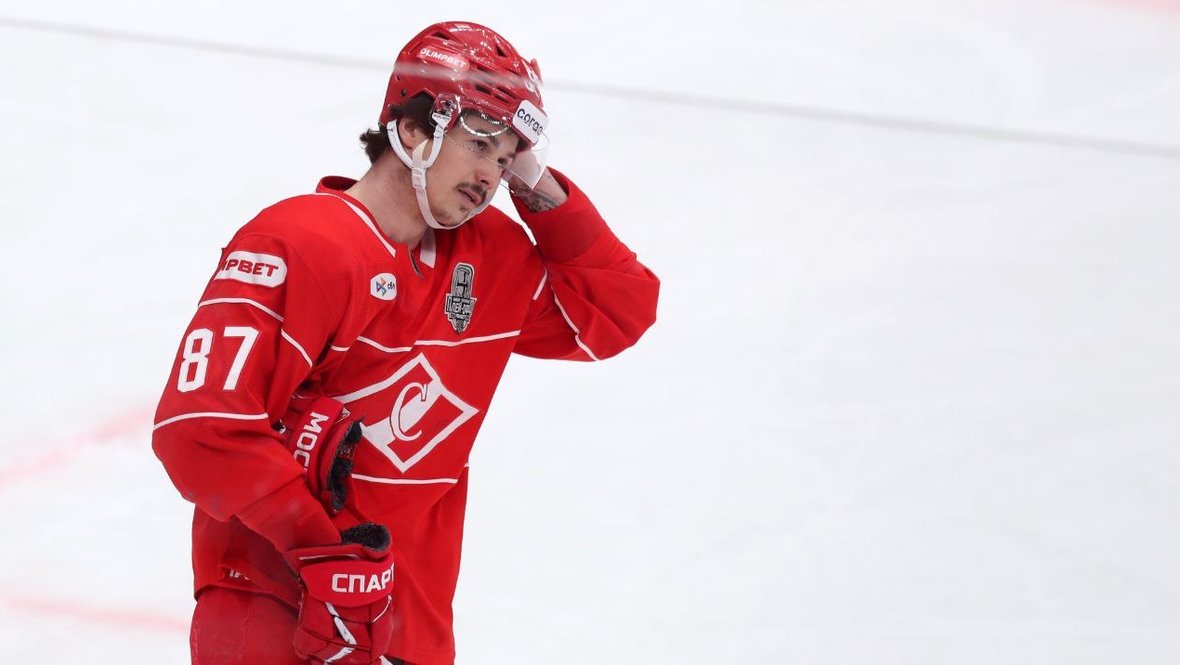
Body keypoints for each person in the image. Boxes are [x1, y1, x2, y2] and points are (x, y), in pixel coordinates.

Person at [152, 20, 659, 665]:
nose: (491, 175)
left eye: (507, 159)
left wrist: (540, 189)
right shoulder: (301, 241)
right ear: (414, 129)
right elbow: (200, 427)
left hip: (409, 620)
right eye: (480, 144)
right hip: (273, 603)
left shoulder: (491, 258)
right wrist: (320, 549)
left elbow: (617, 315)